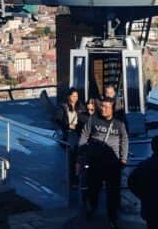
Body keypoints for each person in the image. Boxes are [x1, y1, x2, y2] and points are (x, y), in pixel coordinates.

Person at [77, 96, 128, 229]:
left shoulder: (119, 123)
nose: (103, 109)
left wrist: (123, 158)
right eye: (102, 106)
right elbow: (84, 134)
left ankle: (112, 217)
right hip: (95, 162)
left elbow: (124, 140)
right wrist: (81, 152)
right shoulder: (93, 120)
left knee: (113, 193)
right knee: (93, 188)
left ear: (112, 109)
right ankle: (91, 208)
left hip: (113, 164)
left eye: (106, 107)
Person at [56, 88, 85, 188]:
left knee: (78, 159)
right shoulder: (63, 107)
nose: (75, 98)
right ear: (69, 96)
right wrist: (68, 126)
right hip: (69, 135)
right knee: (72, 159)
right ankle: (73, 180)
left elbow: (84, 118)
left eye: (76, 96)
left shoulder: (80, 106)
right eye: (73, 96)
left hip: (79, 135)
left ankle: (77, 179)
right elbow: (58, 121)